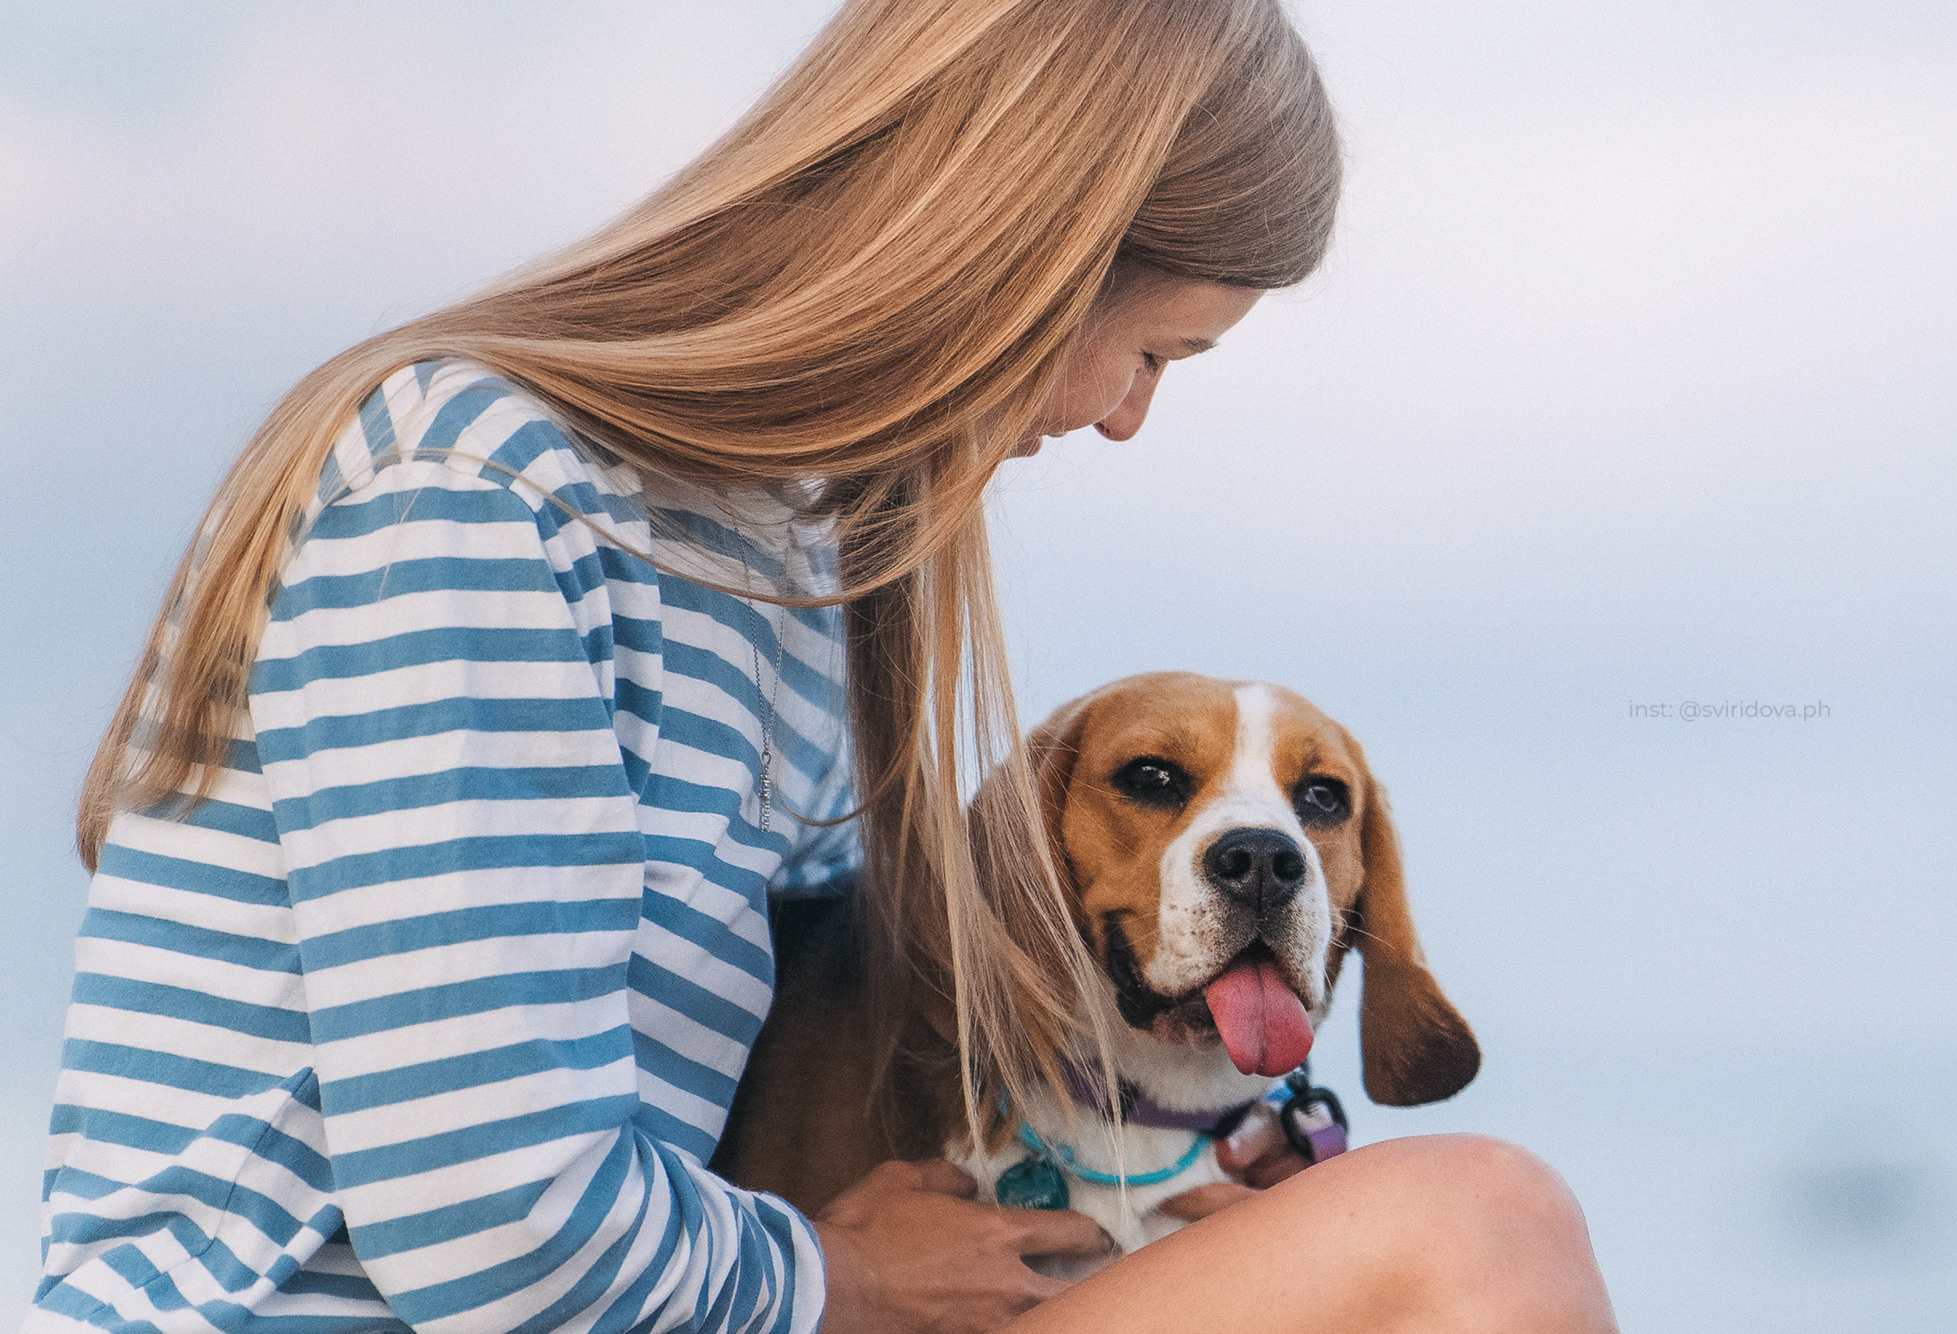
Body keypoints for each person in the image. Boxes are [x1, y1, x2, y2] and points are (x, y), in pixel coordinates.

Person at [31, 1, 1618, 1331]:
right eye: (1154, 353)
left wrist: (1164, 1174)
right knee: (1476, 1230)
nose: (1128, 418)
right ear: (1028, 251)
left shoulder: (787, 565)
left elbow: (860, 1034)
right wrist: (835, 1272)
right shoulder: (481, 485)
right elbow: (488, 1216)